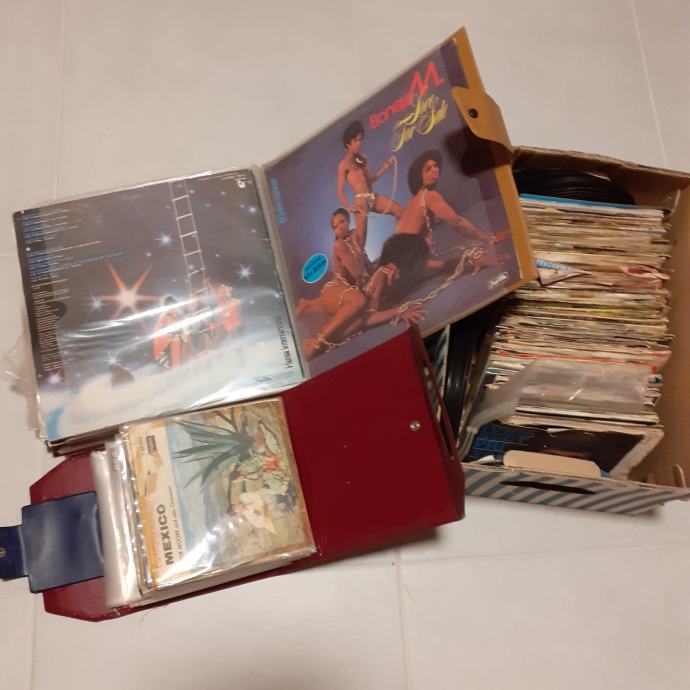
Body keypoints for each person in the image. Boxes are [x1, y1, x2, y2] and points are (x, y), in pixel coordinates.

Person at [379, 150, 501, 296]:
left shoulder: (412, 201)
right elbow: (458, 223)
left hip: (391, 265)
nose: (435, 170)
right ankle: (471, 261)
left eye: (435, 166)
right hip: (402, 270)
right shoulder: (430, 196)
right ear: (420, 177)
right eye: (428, 169)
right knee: (456, 262)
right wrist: (488, 238)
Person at [337, 120, 402, 247]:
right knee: (361, 243)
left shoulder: (363, 158)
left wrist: (385, 166)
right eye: (355, 141)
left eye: (360, 140)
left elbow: (371, 179)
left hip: (372, 197)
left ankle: (402, 244)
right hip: (361, 202)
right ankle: (358, 259)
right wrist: (349, 207)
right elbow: (340, 191)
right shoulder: (343, 165)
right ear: (348, 143)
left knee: (399, 210)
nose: (359, 143)